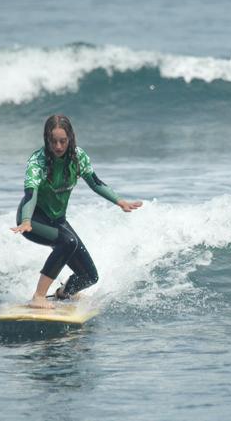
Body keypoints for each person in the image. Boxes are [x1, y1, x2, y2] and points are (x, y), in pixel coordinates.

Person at [11, 114, 142, 309]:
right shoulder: (37, 162)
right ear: (46, 139)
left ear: (70, 138)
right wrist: (27, 219)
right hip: (34, 219)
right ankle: (38, 297)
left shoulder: (78, 157)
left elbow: (95, 183)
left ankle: (64, 293)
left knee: (89, 277)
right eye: (53, 141)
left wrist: (120, 201)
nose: (58, 146)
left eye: (62, 141)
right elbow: (31, 194)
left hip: (57, 219)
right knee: (67, 242)